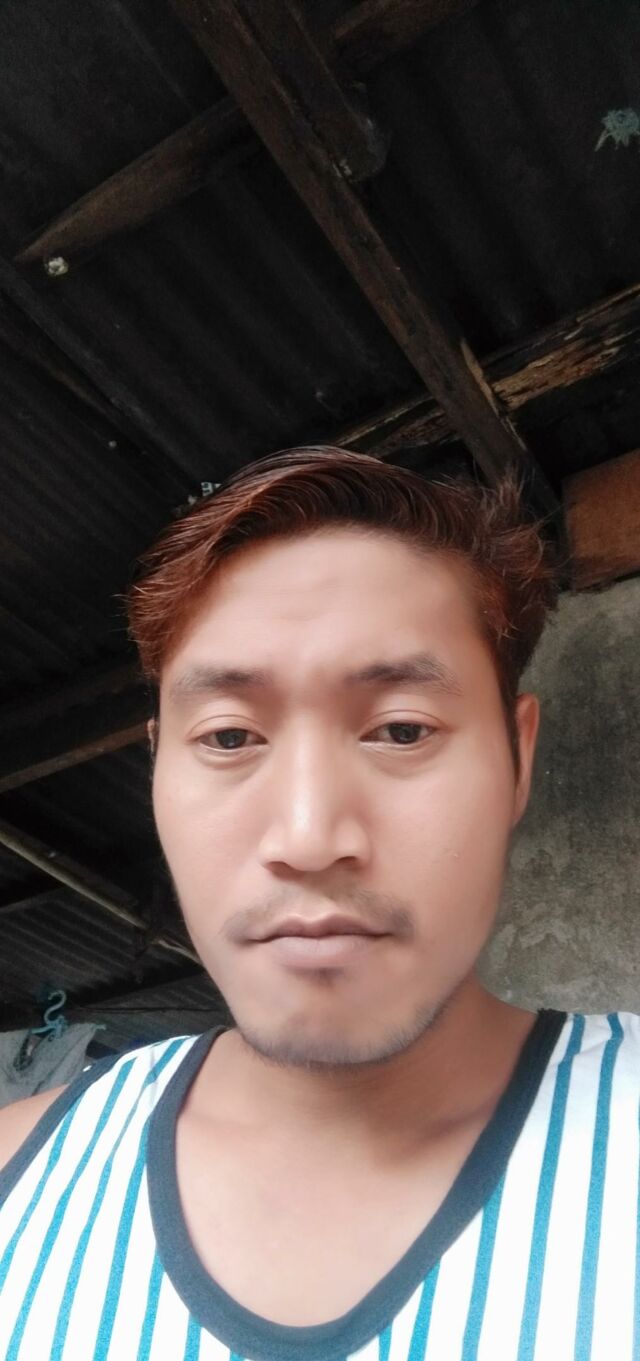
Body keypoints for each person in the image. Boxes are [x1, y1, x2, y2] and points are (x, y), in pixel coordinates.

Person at [0, 446, 636, 1361]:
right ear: (157, 765)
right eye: (229, 737)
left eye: (402, 729)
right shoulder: (19, 1177)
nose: (306, 836)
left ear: (519, 758)